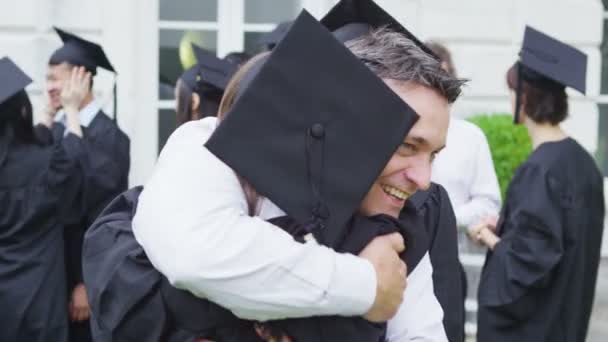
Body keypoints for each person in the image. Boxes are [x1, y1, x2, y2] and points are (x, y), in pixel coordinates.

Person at [84, 10, 465, 341]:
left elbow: (419, 332)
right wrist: (367, 284)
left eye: (433, 153)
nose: (424, 178)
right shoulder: (210, 149)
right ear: (345, 116)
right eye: (407, 146)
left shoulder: (396, 228)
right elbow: (197, 252)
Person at [471, 26, 605, 342]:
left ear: (525, 97)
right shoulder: (583, 164)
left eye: (512, 92)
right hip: (566, 322)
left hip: (533, 331)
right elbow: (555, 239)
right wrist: (506, 226)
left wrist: (488, 236)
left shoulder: (540, 170)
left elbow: (528, 261)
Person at [36, 27, 130, 342]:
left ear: (81, 78)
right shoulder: (58, 127)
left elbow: (103, 215)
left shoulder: (111, 138)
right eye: (47, 78)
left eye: (56, 78)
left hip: (79, 275)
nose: (49, 87)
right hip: (48, 271)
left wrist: (86, 282)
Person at [0, 57, 86, 342]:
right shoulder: (45, 163)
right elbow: (74, 159)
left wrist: (48, 116)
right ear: (23, 109)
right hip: (40, 297)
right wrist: (71, 110)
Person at [426, 41, 501, 229]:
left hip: (449, 247)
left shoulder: (471, 137)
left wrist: (445, 217)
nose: (437, 87)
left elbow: (488, 204)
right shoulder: (398, 132)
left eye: (443, 78)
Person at [175, 44, 237, 126]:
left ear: (194, 101)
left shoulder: (187, 137)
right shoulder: (230, 134)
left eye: (177, 98)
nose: (175, 106)